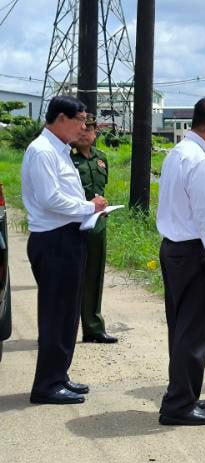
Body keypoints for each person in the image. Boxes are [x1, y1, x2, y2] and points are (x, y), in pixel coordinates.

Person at [21, 96, 108, 404]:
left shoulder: (59, 151)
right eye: (79, 121)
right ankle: (46, 385)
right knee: (55, 314)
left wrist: (89, 211)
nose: (83, 127)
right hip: (54, 241)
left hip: (69, 237)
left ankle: (59, 375)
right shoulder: (42, 151)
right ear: (61, 118)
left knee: (68, 314)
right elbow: (50, 199)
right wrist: (88, 206)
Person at [156, 97, 205, 426]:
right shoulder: (201, 161)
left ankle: (182, 395)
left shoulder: (176, 154)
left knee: (181, 327)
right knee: (194, 331)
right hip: (192, 253)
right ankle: (179, 406)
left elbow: (185, 207)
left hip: (173, 247)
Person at [70, 115, 118, 344]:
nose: (85, 133)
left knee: (94, 274)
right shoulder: (67, 158)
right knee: (68, 278)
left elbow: (100, 189)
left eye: (90, 129)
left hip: (96, 223)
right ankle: (61, 329)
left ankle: (93, 327)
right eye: (82, 129)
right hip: (72, 223)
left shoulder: (101, 158)